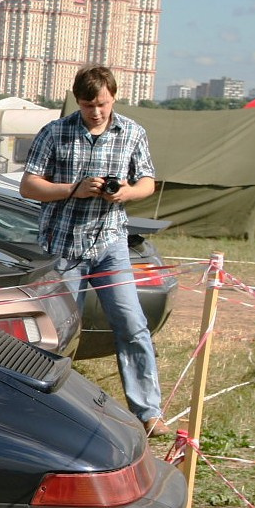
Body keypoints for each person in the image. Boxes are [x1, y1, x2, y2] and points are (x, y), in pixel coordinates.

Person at [20, 65, 167, 437]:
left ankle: (149, 412)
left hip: (110, 243)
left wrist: (125, 193)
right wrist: (74, 189)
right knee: (57, 334)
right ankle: (47, 411)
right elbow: (29, 186)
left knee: (132, 326)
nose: (96, 112)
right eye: (88, 105)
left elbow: (147, 182)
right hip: (62, 245)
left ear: (113, 97)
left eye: (101, 104)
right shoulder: (55, 132)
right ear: (77, 101)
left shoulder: (133, 133)